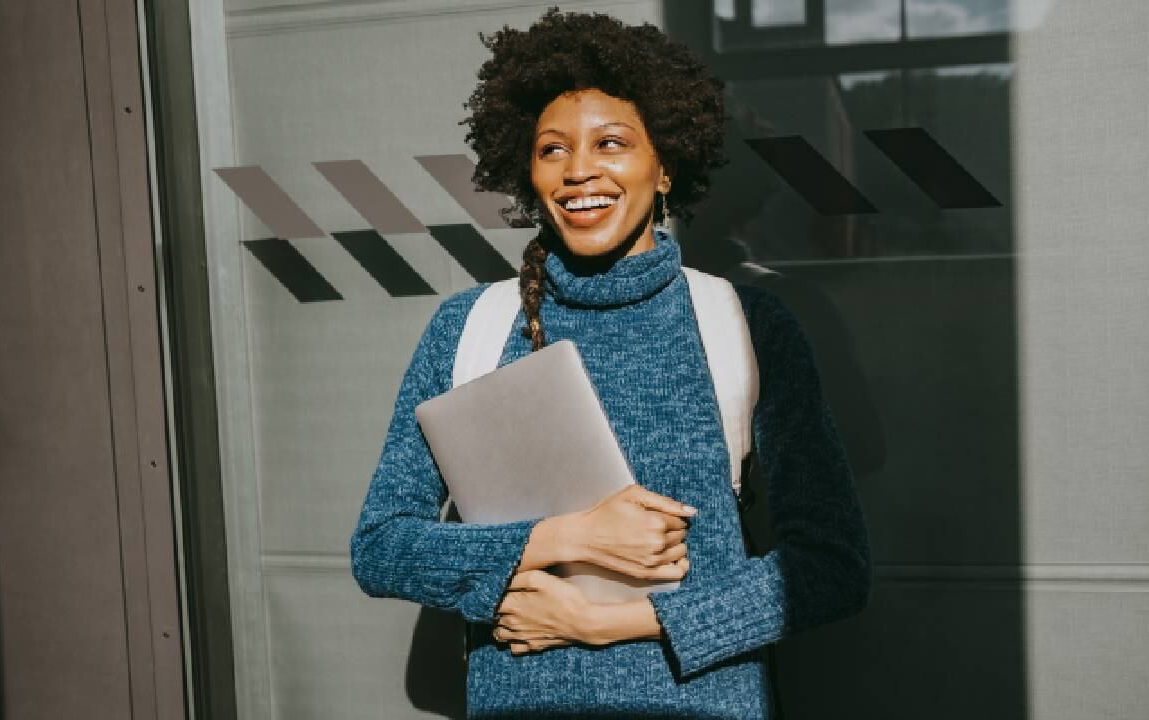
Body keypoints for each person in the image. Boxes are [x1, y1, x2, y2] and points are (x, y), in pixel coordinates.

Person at [350, 8, 871, 718]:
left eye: (612, 142)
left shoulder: (746, 326)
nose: (580, 170)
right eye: (552, 149)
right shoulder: (469, 328)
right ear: (526, 171)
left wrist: (603, 622)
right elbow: (380, 548)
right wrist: (564, 537)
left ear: (665, 166)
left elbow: (831, 567)